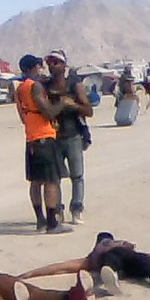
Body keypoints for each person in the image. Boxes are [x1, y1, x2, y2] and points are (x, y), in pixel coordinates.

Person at [19, 231, 150, 293]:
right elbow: (57, 268)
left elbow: (57, 267)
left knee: (144, 261)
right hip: (122, 264)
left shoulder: (93, 258)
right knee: (144, 261)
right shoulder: (94, 258)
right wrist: (27, 275)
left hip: (124, 263)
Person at [15, 54, 75, 233]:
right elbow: (48, 112)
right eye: (40, 67)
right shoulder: (35, 87)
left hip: (31, 138)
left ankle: (40, 220)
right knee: (51, 181)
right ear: (34, 67)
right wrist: (62, 103)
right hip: (44, 137)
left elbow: (22, 116)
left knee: (35, 182)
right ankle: (52, 222)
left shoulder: (19, 89)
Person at [45, 49, 93, 225]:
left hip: (73, 135)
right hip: (53, 137)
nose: (51, 65)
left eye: (55, 62)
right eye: (49, 62)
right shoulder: (45, 86)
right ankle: (58, 209)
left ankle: (77, 208)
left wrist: (71, 104)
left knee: (77, 175)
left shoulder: (74, 85)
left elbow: (89, 110)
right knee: (54, 178)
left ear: (64, 65)